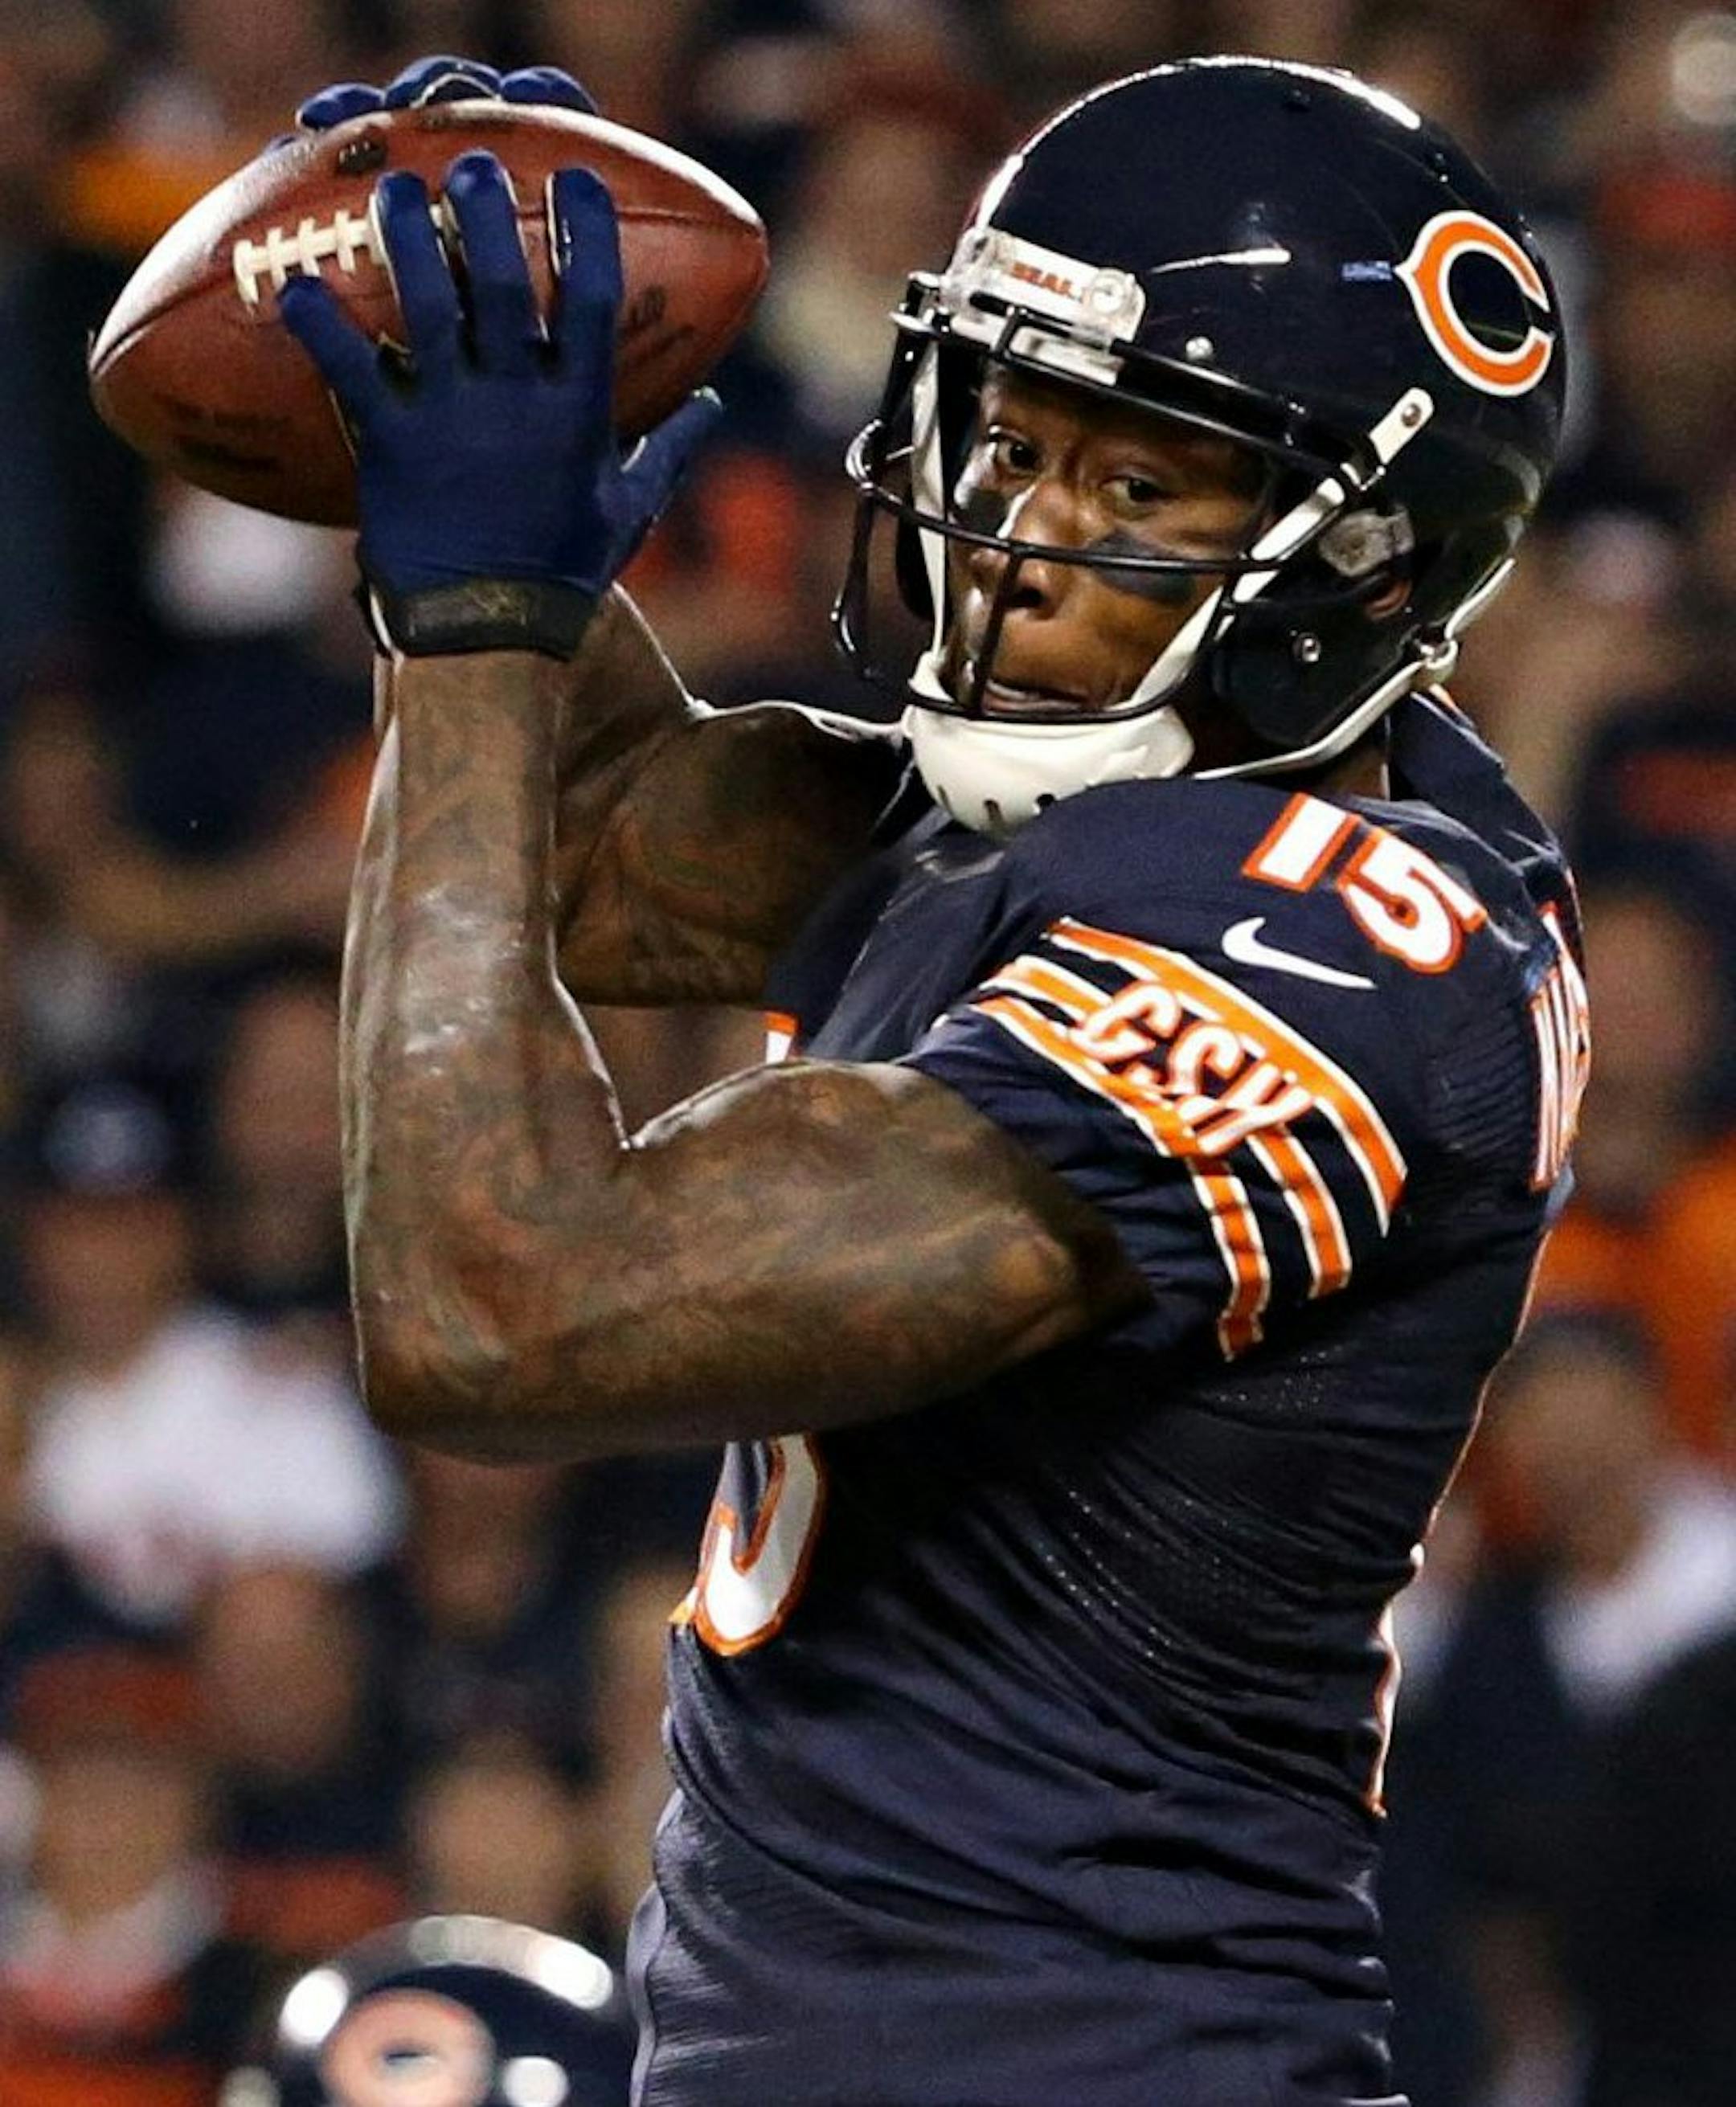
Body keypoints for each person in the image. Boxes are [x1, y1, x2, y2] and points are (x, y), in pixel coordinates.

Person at [279, 52, 1586, 2105]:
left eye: (1140, 485)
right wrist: (462, 398)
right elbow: (590, 833)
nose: (1020, 541)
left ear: (1368, 563)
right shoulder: (1093, 800)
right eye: (1011, 437)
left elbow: (492, 1308)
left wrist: (472, 614)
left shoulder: (1331, 956)